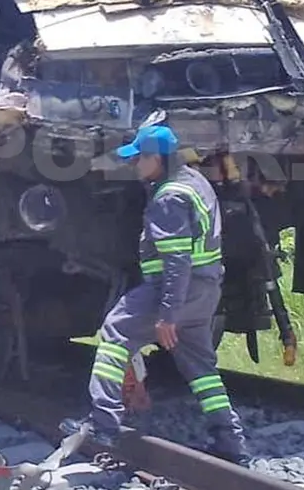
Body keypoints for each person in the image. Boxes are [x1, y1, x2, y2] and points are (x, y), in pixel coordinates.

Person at [59, 124, 250, 464]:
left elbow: (177, 260)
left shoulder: (169, 198)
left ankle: (103, 424)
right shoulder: (196, 183)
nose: (135, 166)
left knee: (115, 335)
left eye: (139, 159)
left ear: (157, 159)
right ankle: (230, 440)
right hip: (206, 290)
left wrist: (167, 313)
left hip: (173, 288)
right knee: (202, 368)